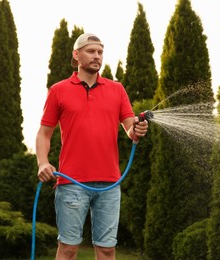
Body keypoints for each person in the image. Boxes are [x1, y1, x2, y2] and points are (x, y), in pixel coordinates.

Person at [35, 33, 148, 260]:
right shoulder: (58, 90)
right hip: (71, 182)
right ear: (76, 55)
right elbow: (43, 134)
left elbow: (129, 128)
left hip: (109, 184)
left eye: (100, 52)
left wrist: (137, 130)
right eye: (91, 51)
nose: (97, 56)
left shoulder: (116, 90)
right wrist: (43, 162)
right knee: (68, 248)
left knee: (106, 250)